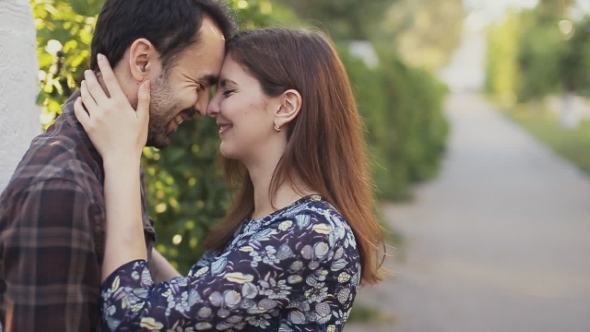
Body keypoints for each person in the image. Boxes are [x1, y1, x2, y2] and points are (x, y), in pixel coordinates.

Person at [75, 27, 385, 332]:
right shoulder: (273, 222)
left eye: (229, 90)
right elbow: (189, 307)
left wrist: (122, 157)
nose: (211, 107)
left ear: (285, 106)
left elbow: (134, 319)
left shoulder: (310, 233)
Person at [0, 0, 235, 330]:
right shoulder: (61, 188)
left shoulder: (117, 154)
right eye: (198, 85)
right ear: (142, 62)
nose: (203, 106)